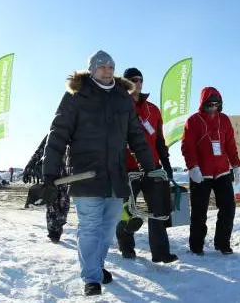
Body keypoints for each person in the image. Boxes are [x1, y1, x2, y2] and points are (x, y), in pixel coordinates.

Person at [41, 50, 156, 297]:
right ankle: (91, 277)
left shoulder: (122, 98)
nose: (108, 69)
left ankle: (96, 264)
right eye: (102, 66)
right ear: (91, 69)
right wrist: (49, 173)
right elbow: (58, 133)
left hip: (115, 175)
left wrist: (151, 166)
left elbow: (136, 134)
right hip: (86, 175)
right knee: (90, 227)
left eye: (111, 66)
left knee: (107, 228)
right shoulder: (76, 95)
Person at [116, 67, 177, 263]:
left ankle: (160, 252)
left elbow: (159, 140)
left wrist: (166, 165)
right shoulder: (118, 107)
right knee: (127, 210)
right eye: (133, 79)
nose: (138, 83)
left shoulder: (153, 110)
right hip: (128, 168)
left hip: (152, 167)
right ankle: (127, 248)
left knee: (158, 210)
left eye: (140, 79)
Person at [182, 87, 240, 256]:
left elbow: (230, 144)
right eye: (210, 104)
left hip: (222, 171)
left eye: (217, 104)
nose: (213, 107)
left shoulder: (224, 120)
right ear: (203, 103)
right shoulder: (193, 121)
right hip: (201, 174)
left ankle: (222, 243)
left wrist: (236, 164)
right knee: (199, 211)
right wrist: (193, 167)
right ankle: (196, 245)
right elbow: (188, 147)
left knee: (228, 207)